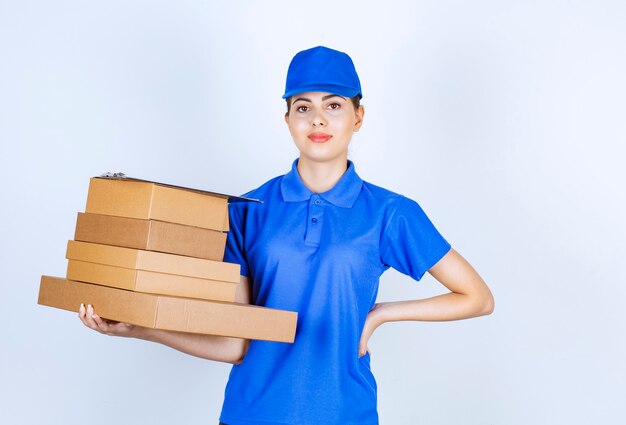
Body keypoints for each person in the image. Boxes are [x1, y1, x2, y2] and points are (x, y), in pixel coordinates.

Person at [79, 46, 494, 425]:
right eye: (302, 107)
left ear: (358, 116)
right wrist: (141, 329)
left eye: (333, 105)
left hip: (344, 414)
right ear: (287, 119)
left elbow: (477, 297)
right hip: (250, 413)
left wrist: (382, 314)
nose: (318, 119)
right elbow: (236, 344)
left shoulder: (390, 214)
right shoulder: (247, 210)